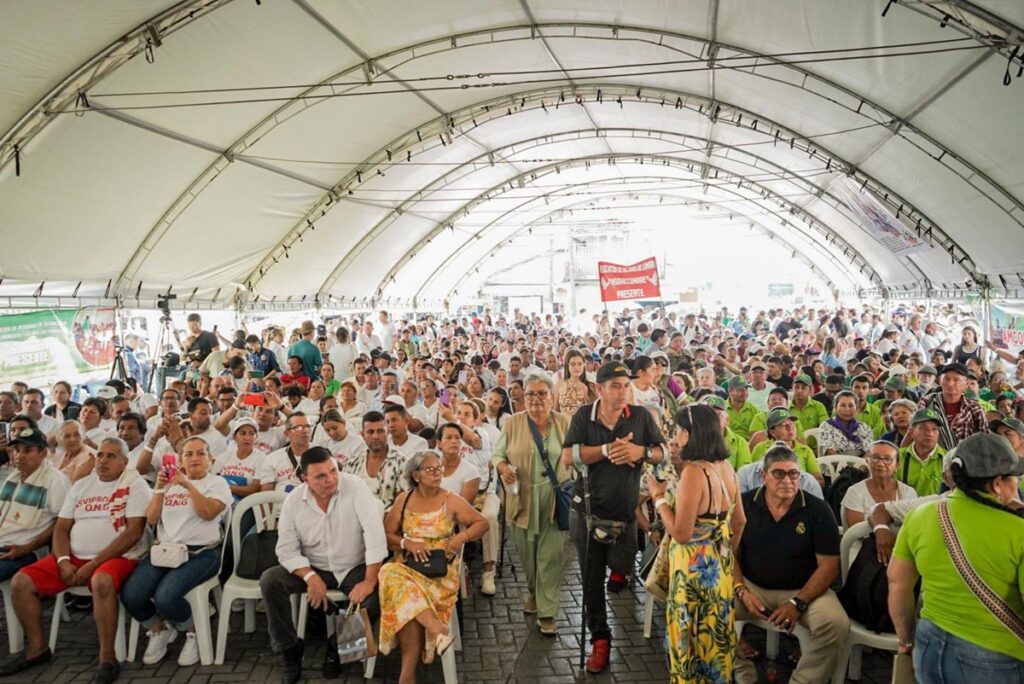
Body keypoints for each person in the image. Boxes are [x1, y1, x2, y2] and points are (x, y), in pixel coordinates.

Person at [0, 437, 150, 683]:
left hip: (118, 557)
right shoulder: (81, 485)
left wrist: (93, 564)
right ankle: (37, 649)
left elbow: (133, 533)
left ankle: (108, 659)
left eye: (111, 456)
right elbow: (61, 529)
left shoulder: (134, 485)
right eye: (100, 455)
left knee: (101, 581)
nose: (102, 461)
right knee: (21, 582)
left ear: (125, 462)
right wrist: (62, 561)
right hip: (74, 558)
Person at [888, 433, 1024, 681]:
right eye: (1016, 478)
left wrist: (906, 639)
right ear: (997, 484)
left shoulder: (922, 514)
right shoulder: (1018, 531)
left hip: (929, 644)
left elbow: (898, 583)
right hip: (995, 656)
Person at [560, 361, 666, 674]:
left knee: (623, 568)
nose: (623, 392)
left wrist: (640, 453)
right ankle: (600, 638)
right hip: (588, 512)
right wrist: (606, 449)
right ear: (599, 388)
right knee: (592, 580)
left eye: (626, 385)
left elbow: (664, 452)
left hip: (626, 513)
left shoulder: (642, 415)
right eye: (615, 386)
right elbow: (568, 456)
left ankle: (617, 580)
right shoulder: (584, 416)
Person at [261, 446, 387, 683]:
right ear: (304, 478)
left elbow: (374, 535)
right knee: (270, 580)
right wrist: (310, 577)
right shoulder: (293, 501)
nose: (330, 479)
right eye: (320, 476)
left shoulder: (355, 486)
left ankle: (339, 648)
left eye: (333, 471)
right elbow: (285, 550)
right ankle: (289, 650)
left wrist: (370, 580)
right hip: (313, 565)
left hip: (354, 565)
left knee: (376, 596)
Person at [733, 444, 848, 684]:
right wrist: (741, 590)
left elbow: (828, 565)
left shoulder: (818, 510)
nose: (787, 480)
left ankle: (803, 680)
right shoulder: (743, 504)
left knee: (836, 624)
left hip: (805, 590)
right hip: (751, 587)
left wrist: (799, 602)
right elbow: (729, 554)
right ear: (763, 476)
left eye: (794, 474)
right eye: (778, 473)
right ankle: (742, 670)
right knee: (706, 607)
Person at [647, 404, 745, 682]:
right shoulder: (726, 467)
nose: (675, 437)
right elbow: (740, 522)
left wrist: (659, 498)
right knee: (715, 642)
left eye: (678, 431)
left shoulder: (694, 473)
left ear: (690, 434)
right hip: (720, 569)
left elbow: (681, 532)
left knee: (690, 644)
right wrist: (722, 552)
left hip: (692, 573)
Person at [378, 451, 488, 684]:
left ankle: (407, 674)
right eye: (431, 469)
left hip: (439, 571)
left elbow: (482, 522)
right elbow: (386, 535)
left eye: (439, 468)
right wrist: (407, 543)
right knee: (392, 575)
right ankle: (435, 630)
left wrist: (462, 537)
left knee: (400, 590)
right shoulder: (404, 499)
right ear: (416, 475)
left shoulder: (450, 499)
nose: (438, 472)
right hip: (408, 566)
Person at [121, 436, 231, 666]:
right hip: (165, 552)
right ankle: (158, 629)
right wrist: (160, 488)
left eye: (200, 453)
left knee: (166, 597)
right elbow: (151, 519)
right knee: (131, 594)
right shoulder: (168, 485)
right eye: (188, 454)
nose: (194, 458)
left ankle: (193, 631)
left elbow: (208, 513)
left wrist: (188, 485)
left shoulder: (217, 483)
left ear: (210, 459)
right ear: (180, 460)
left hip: (202, 553)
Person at [492, 373, 571, 636]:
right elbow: (497, 454)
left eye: (541, 393)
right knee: (528, 556)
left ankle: (547, 612)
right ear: (523, 397)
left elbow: (574, 456)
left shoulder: (564, 422)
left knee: (550, 556)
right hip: (521, 497)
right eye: (530, 394)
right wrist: (503, 468)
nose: (535, 399)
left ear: (552, 396)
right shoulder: (513, 423)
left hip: (554, 498)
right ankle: (534, 593)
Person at [0, 428, 70, 582]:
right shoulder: (13, 477)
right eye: (16, 450)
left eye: (27, 451)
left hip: (26, 551)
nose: (19, 456)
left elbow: (63, 522)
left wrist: (27, 548)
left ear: (43, 453)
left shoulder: (55, 480)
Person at [840, 440, 916, 528]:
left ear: (897, 466)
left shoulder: (908, 492)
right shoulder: (855, 492)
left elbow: (912, 527)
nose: (880, 464)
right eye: (875, 458)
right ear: (868, 462)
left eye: (887, 459)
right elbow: (857, 532)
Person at [342, 411, 406, 510]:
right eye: (370, 432)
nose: (375, 436)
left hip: (387, 521)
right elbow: (345, 498)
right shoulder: (352, 464)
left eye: (380, 431)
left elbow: (402, 504)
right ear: (362, 435)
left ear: (387, 432)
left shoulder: (401, 462)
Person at [918, 362, 988, 450]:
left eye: (956, 380)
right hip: (933, 458)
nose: (950, 384)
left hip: (965, 459)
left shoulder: (974, 407)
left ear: (965, 384)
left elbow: (984, 438)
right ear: (940, 381)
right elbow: (916, 431)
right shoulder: (927, 402)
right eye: (947, 379)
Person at [896, 408, 948, 495]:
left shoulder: (948, 459)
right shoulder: (897, 456)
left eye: (934, 429)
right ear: (911, 432)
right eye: (924, 428)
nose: (930, 433)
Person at [262, 412, 313, 492]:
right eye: (298, 427)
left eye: (308, 426)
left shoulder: (323, 455)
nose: (305, 431)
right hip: (281, 502)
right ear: (287, 433)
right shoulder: (272, 459)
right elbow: (266, 495)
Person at [818, 391, 874, 456]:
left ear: (856, 409)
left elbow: (870, 451)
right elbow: (830, 452)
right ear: (835, 408)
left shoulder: (864, 427)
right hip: (834, 464)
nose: (847, 409)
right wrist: (846, 465)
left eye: (851, 406)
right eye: (843, 405)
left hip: (861, 464)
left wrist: (860, 465)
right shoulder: (826, 426)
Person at [553, 348, 595, 417]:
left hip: (582, 426)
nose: (577, 367)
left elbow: (594, 413)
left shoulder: (590, 385)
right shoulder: (559, 384)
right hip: (564, 425)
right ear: (567, 365)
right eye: (573, 364)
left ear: (584, 365)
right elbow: (556, 410)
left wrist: (585, 395)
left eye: (579, 364)